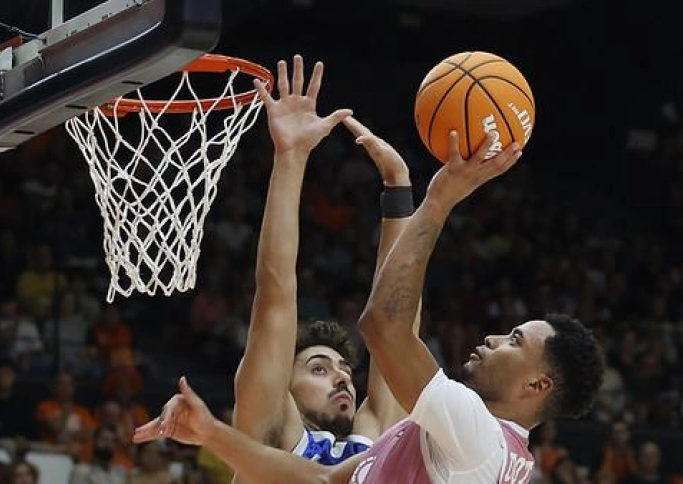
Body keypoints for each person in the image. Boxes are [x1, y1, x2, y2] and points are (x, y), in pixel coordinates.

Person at [136, 132, 606, 483]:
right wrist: (214, 434)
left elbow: (389, 326)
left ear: (537, 383)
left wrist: (438, 197)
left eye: (515, 340)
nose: (494, 338)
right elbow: (320, 481)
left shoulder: (475, 435)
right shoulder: (425, 440)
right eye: (319, 368)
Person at [230, 54, 422, 473]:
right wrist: (291, 157)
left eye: (344, 371)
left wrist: (398, 190)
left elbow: (398, 327)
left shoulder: (366, 444)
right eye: (319, 368)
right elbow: (276, 290)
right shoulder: (270, 432)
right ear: (283, 385)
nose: (342, 379)